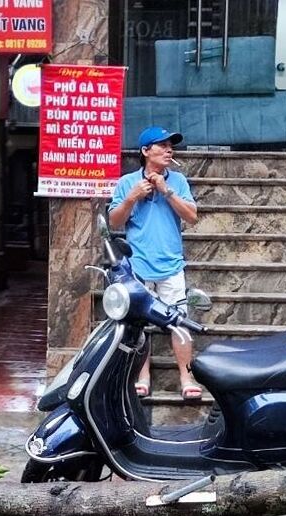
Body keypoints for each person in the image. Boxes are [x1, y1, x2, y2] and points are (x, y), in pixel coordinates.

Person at [109, 126, 200, 399]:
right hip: (138, 264)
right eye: (161, 145)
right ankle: (142, 375)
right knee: (138, 325)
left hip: (171, 265)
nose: (168, 149)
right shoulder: (127, 182)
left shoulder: (178, 181)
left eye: (171, 145)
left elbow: (192, 217)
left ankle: (187, 376)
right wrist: (131, 197)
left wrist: (166, 190)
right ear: (145, 151)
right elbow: (115, 221)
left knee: (179, 322)